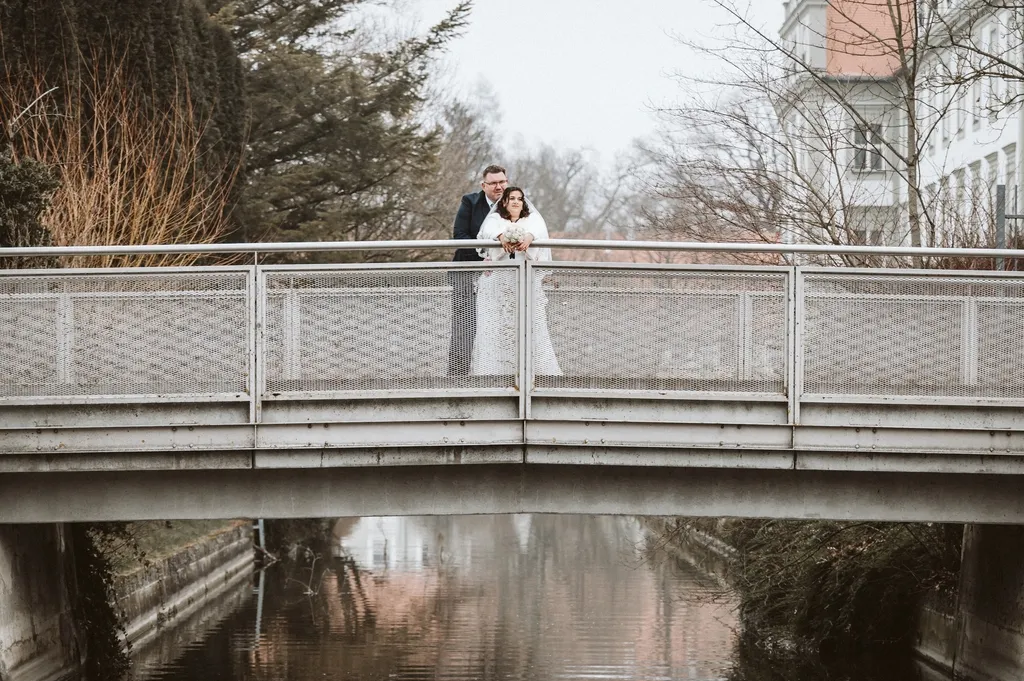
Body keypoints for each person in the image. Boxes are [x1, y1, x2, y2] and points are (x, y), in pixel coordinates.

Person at [471, 186, 562, 377]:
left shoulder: (532, 220)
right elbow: (488, 230)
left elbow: (538, 230)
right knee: (497, 326)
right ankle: (494, 373)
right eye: (511, 198)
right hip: (500, 282)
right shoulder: (496, 219)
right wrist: (501, 236)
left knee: (528, 325)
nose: (515, 202)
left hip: (525, 282)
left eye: (519, 199)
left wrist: (529, 237)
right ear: (504, 201)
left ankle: (532, 373)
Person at [448, 164, 508, 376]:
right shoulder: (470, 202)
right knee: (464, 325)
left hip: (504, 276)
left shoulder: (515, 203)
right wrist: (484, 256)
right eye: (493, 183)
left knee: (501, 325)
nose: (498, 187)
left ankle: (499, 374)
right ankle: (458, 376)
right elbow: (460, 236)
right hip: (468, 271)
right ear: (484, 185)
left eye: (502, 182)